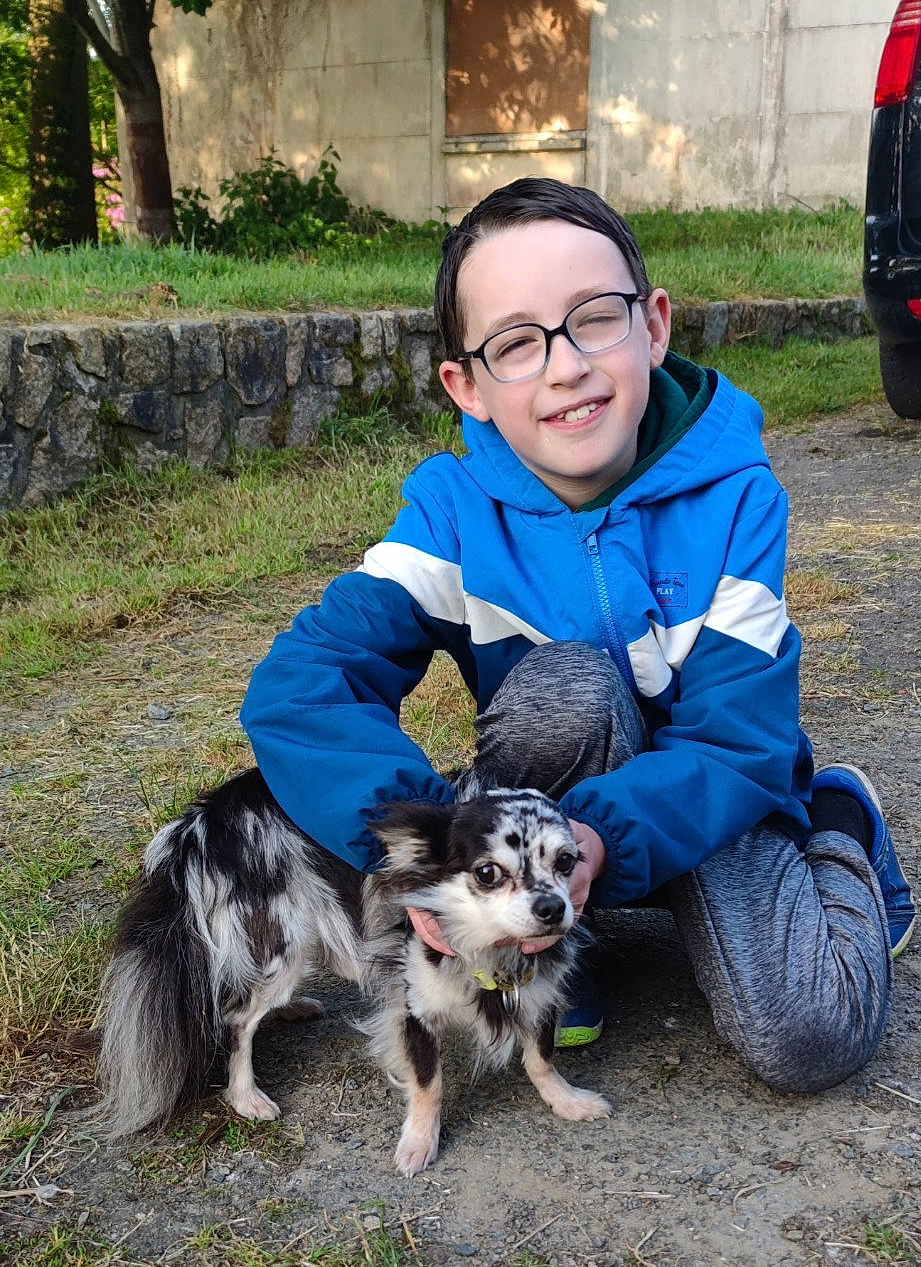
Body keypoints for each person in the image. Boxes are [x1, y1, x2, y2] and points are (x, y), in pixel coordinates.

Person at [241, 177, 915, 1090]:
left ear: (655, 325)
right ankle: (562, 936)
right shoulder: (448, 513)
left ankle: (840, 821)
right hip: (546, 830)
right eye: (516, 343)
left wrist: (600, 835)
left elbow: (735, 740)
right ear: (466, 386)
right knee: (566, 685)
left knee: (808, 1040)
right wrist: (431, 843)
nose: (565, 366)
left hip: (710, 799)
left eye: (595, 317)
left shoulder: (738, 501)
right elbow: (300, 687)